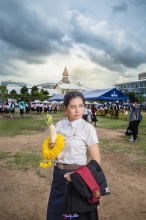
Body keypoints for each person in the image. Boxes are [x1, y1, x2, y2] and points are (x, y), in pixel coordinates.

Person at [46, 91, 100, 220]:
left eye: (81, 106)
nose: (78, 110)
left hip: (77, 176)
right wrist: (50, 148)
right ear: (65, 108)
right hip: (58, 175)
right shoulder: (59, 125)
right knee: (56, 213)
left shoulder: (87, 128)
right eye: (73, 106)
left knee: (76, 215)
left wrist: (78, 177)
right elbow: (54, 149)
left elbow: (96, 159)